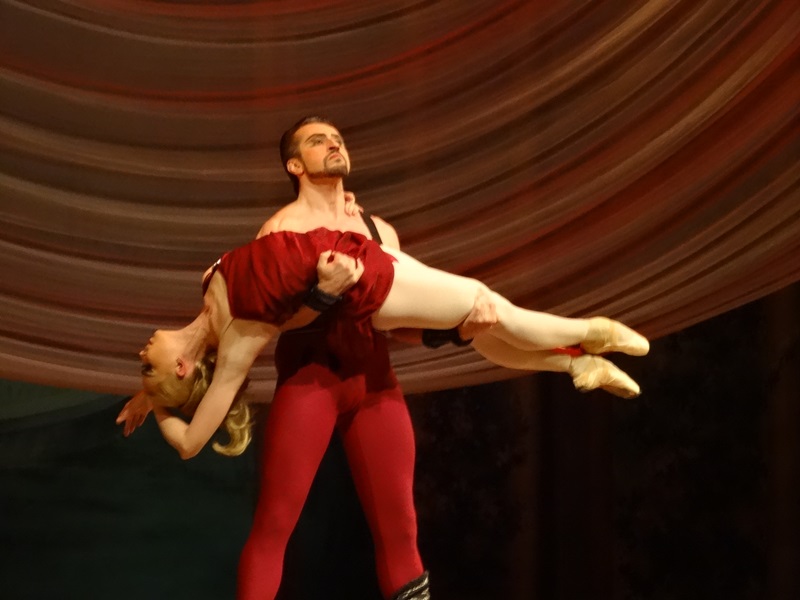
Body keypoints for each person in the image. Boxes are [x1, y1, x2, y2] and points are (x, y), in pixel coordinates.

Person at [123, 116, 649, 599]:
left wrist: (456, 334)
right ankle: (581, 346)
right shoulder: (281, 230)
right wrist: (322, 295)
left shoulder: (377, 230)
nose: (334, 145)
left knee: (401, 527)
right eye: (318, 141)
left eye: (338, 139)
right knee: (275, 523)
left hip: (373, 379)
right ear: (295, 166)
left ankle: (574, 359)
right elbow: (273, 321)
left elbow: (398, 323)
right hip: (312, 379)